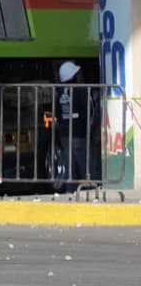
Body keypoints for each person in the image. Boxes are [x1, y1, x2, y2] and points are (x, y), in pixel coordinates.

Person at [57, 60, 100, 190]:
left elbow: (58, 113)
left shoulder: (59, 93)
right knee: (85, 165)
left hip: (65, 135)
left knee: (70, 165)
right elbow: (88, 110)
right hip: (79, 134)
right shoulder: (80, 90)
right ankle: (92, 189)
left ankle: (70, 190)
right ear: (73, 76)